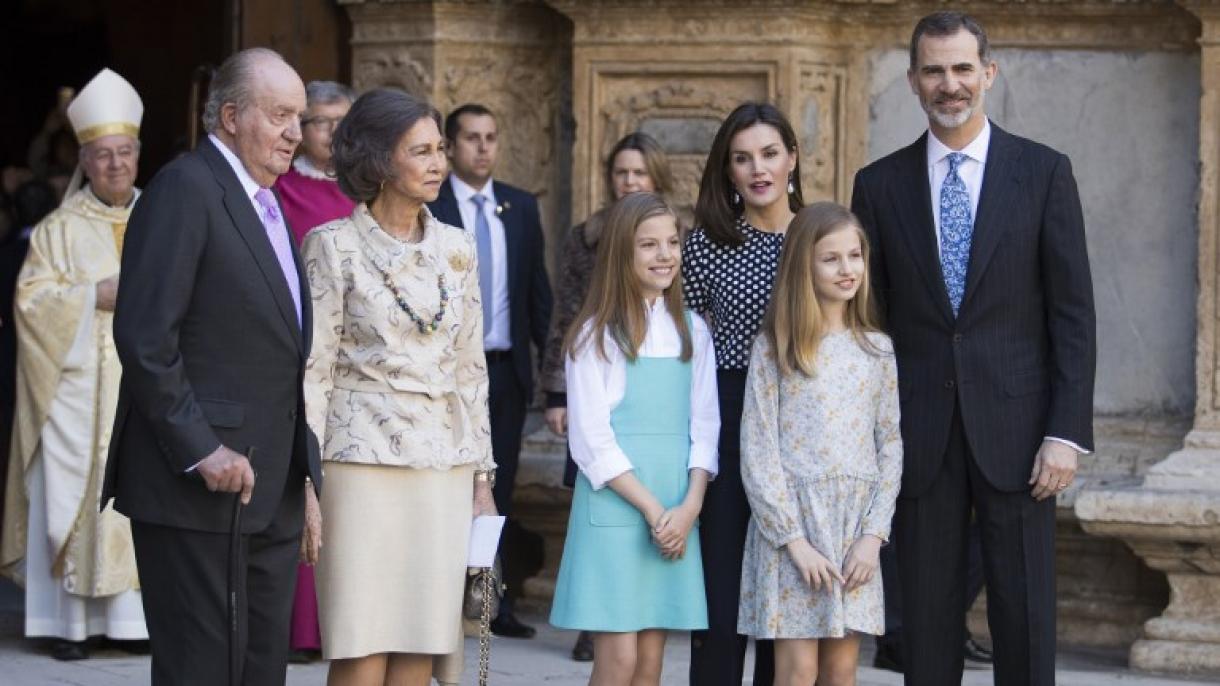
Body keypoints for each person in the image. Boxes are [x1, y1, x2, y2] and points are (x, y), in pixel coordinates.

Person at [850, 11, 1095, 686]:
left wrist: (1066, 433)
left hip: (1021, 434)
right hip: (919, 431)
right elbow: (869, 321)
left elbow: (1073, 313)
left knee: (1024, 617)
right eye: (934, 70)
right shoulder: (878, 185)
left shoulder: (1043, 173)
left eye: (962, 68)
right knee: (926, 625)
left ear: (987, 73)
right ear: (913, 81)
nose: (949, 84)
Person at [103, 48, 322, 685]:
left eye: (300, 117)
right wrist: (202, 449)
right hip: (199, 490)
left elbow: (278, 350)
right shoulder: (184, 189)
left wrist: (303, 477)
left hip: (270, 489)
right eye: (279, 115)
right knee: (201, 673)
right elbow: (145, 339)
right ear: (229, 115)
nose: (295, 133)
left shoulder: (268, 202)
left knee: (258, 673)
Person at [301, 87, 496, 686]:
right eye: (423, 151)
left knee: (421, 642)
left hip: (443, 468)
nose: (440, 163)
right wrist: (306, 479)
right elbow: (313, 369)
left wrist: (482, 482)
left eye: (441, 149)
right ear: (382, 161)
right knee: (361, 644)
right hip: (358, 466)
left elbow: (470, 371)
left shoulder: (458, 249)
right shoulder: (332, 246)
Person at [0, 69, 149, 661]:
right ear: (84, 161)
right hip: (74, 394)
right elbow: (29, 302)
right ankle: (71, 627)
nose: (114, 166)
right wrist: (93, 295)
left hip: (145, 393)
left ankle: (135, 625)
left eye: (124, 153)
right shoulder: (58, 229)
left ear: (140, 156)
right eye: (102, 156)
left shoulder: (165, 219)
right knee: (73, 498)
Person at [550, 191, 718, 686]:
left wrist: (688, 508)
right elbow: (589, 440)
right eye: (649, 245)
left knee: (649, 664)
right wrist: (651, 509)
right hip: (621, 507)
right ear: (622, 252)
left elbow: (705, 427)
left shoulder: (694, 332)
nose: (665, 255)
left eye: (672, 242)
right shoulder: (593, 337)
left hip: (675, 506)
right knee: (618, 661)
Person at [737, 202, 902, 686]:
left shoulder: (877, 349)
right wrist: (793, 541)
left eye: (855, 256)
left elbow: (890, 445)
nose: (847, 269)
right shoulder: (776, 348)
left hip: (854, 530)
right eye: (831, 258)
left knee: (840, 670)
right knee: (797, 672)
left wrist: (873, 537)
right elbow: (758, 447)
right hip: (794, 531)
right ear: (803, 264)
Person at [539, 131, 677, 662]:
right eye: (621, 172)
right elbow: (566, 310)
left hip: (653, 392)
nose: (629, 180)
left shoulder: (671, 236)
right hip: (597, 375)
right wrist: (556, 392)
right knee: (600, 500)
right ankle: (598, 621)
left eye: (639, 172)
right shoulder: (588, 235)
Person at [683, 101, 805, 686]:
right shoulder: (706, 245)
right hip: (729, 409)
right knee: (723, 583)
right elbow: (685, 343)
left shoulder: (821, 236)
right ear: (727, 170)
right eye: (742, 158)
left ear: (792, 159)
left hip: (804, 418)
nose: (758, 169)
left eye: (769, 154)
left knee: (786, 589)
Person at [427, 103, 553, 639]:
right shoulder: (432, 205)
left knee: (494, 490)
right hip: (442, 378)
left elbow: (537, 294)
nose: (483, 147)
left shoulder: (519, 206)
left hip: (503, 373)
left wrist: (551, 379)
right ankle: (437, 600)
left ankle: (489, 603)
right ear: (451, 147)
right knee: (444, 487)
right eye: (471, 138)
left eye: (491, 137)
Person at [270, 78, 356, 664]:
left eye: (340, 121)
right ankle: (301, 627)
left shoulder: (368, 189)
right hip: (299, 353)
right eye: (320, 120)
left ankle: (347, 620)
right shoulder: (278, 192)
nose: (329, 132)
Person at [274, 80, 356, 245]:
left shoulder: (373, 182)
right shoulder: (280, 187)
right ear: (301, 131)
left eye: (343, 121)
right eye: (321, 121)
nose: (334, 130)